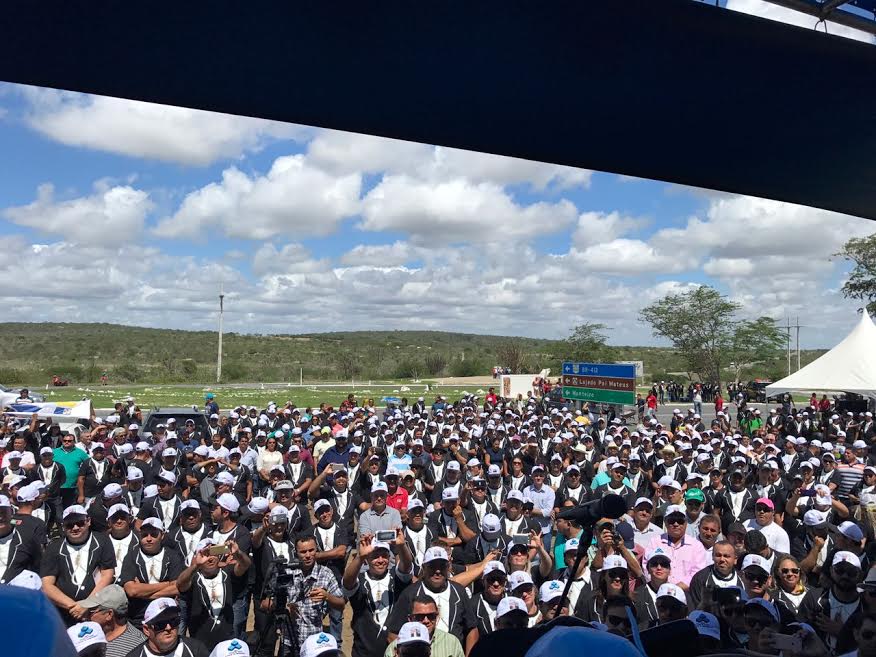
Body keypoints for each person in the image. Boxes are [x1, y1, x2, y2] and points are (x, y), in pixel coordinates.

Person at [386, 546, 475, 650]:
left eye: (442, 566)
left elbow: (472, 629)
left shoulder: (459, 591)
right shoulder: (410, 594)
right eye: (432, 566)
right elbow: (393, 634)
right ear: (423, 568)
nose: (437, 571)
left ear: (449, 567)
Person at [41, 504, 116, 625]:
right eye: (69, 525)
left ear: (88, 521)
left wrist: (88, 604)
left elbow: (107, 575)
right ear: (63, 527)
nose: (75, 528)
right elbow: (46, 584)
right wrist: (74, 607)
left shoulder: (102, 541)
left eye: (80, 523)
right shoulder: (54, 547)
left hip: (96, 610)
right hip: (65, 612)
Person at [343, 532, 414, 657]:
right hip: (363, 652)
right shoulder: (359, 579)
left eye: (384, 556)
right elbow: (347, 582)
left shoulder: (396, 578)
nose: (381, 560)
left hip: (396, 652)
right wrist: (360, 557)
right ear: (367, 559)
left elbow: (407, 566)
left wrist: (402, 546)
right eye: (375, 556)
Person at [644, 504, 709, 588]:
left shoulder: (696, 546)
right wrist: (661, 588)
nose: (676, 524)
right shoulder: (654, 542)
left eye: (680, 520)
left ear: (686, 523)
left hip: (687, 594)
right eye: (671, 520)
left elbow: (699, 573)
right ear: (665, 522)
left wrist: (677, 588)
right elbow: (647, 568)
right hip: (658, 591)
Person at [124, 597, 209, 657]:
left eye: (173, 621)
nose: (168, 628)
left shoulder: (196, 650)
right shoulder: (135, 655)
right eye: (161, 624)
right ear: (146, 630)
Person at [78, 585, 146, 657]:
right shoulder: (85, 637)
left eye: (91, 611)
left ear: (109, 614)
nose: (85, 617)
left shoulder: (137, 646)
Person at [384, 597, 465, 657]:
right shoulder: (393, 647)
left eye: (431, 616)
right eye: (420, 617)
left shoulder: (452, 642)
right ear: (396, 653)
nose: (426, 620)